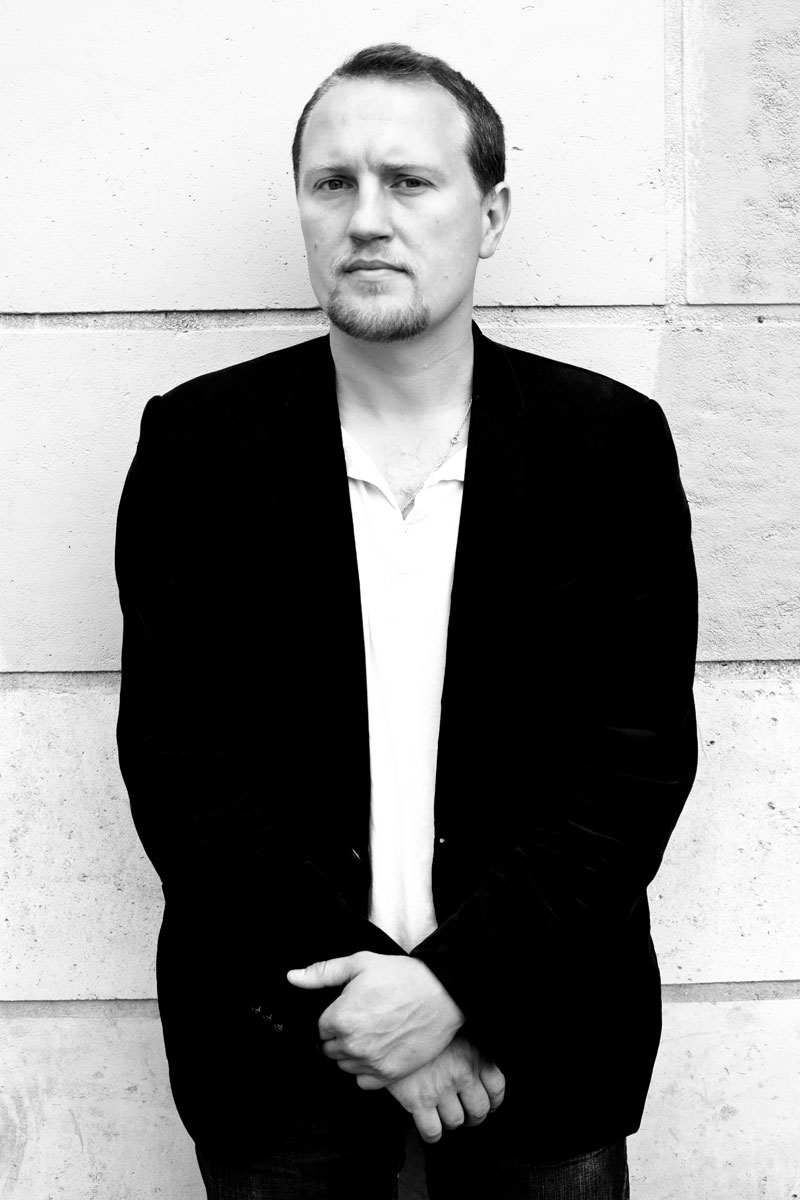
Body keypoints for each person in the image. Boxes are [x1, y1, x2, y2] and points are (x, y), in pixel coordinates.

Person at [115, 43, 698, 1200]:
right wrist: (369, 1009)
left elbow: (631, 764)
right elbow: (182, 767)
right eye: (332, 183)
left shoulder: (605, 447)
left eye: (408, 182)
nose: (365, 219)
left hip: (534, 1037)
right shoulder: (199, 448)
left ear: (490, 215)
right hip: (280, 1043)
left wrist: (452, 990)